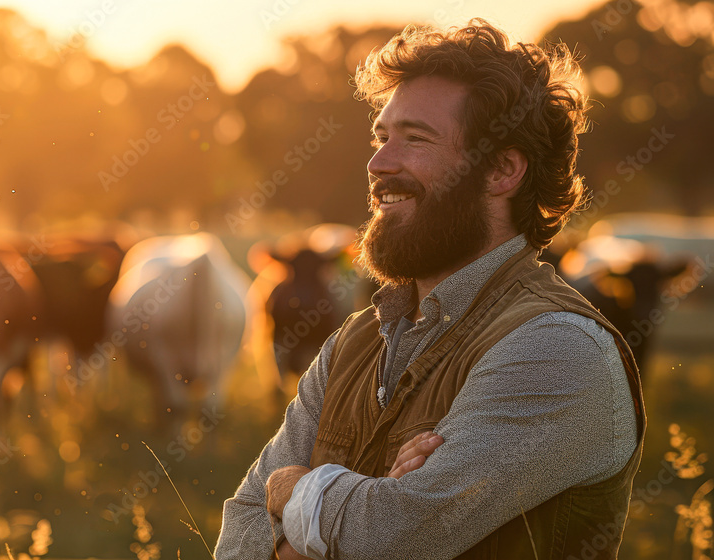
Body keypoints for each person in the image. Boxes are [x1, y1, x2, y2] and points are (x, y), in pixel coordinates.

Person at [214, 18, 645, 560]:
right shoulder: (357, 340)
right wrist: (356, 510)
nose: (378, 164)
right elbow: (236, 538)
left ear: (502, 170)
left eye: (415, 139)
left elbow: (390, 540)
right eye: (381, 137)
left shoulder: (558, 347)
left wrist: (292, 491)